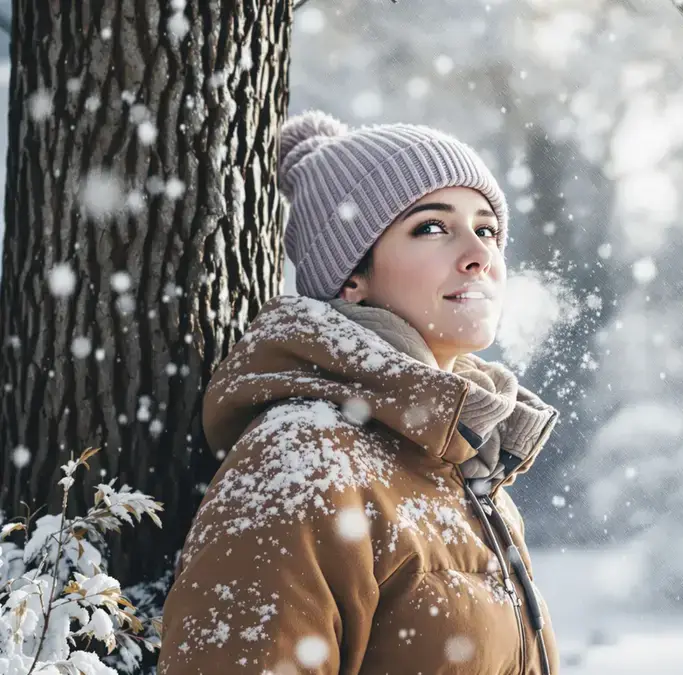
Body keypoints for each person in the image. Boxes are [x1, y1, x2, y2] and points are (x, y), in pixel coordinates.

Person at [157, 111, 561, 674]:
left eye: (487, 229)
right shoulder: (304, 461)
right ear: (353, 276)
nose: (479, 254)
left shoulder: (463, 462)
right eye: (432, 228)